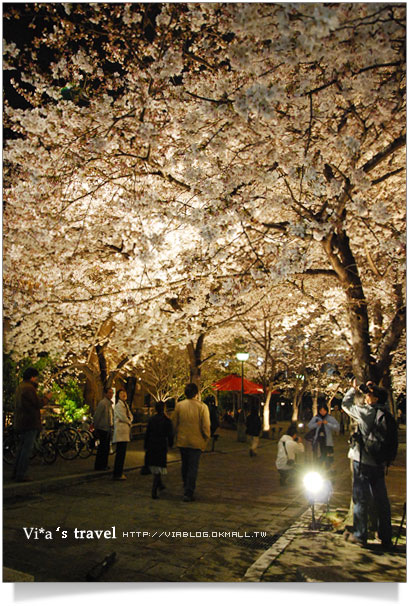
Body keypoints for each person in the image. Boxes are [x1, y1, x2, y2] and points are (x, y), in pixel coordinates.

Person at [341, 380, 394, 549]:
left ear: (376, 399)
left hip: (362, 461)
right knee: (382, 500)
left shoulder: (365, 411)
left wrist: (353, 388)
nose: (366, 396)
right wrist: (369, 390)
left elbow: (345, 404)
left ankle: (360, 535)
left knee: (361, 498)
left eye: (369, 394)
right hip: (379, 463)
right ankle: (385, 536)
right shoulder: (387, 413)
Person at [173, 383, 210, 502]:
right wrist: (206, 438)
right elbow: (206, 426)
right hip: (196, 441)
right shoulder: (202, 407)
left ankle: (186, 485)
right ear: (196, 393)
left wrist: (174, 436)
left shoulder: (179, 406)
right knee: (193, 467)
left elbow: (174, 423)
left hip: (183, 440)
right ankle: (189, 491)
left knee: (185, 465)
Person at [13, 367, 52, 482]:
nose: (37, 380)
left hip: (21, 421)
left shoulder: (20, 387)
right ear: (32, 377)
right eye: (36, 377)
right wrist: (47, 398)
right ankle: (21, 474)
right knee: (26, 449)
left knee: (21, 448)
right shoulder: (29, 389)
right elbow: (38, 403)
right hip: (29, 422)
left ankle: (16, 472)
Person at [144, 402, 174, 499]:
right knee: (158, 467)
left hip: (152, 444)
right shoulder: (167, 420)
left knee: (155, 465)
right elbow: (170, 434)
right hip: (161, 445)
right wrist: (171, 444)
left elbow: (147, 433)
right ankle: (154, 489)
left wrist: (145, 445)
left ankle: (160, 484)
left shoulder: (152, 419)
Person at [307, 404, 339, 468]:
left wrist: (328, 424)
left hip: (327, 439)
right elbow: (310, 425)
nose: (322, 412)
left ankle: (328, 466)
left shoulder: (329, 418)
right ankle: (319, 466)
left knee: (328, 453)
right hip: (318, 439)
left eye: (324, 410)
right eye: (321, 410)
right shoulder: (316, 417)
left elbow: (337, 427)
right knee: (320, 453)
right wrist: (316, 424)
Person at [112, 389, 133, 480]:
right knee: (120, 454)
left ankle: (119, 472)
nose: (124, 394)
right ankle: (117, 473)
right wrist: (129, 421)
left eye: (124, 393)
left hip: (124, 432)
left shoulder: (125, 405)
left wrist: (129, 420)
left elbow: (130, 415)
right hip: (121, 432)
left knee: (122, 453)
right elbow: (123, 417)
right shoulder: (118, 406)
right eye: (121, 393)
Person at [93, 388, 114, 471]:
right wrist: (96, 427)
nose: (111, 395)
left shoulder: (109, 404)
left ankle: (104, 464)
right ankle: (99, 465)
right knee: (102, 448)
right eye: (109, 393)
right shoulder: (103, 403)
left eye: (112, 393)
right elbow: (97, 416)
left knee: (106, 448)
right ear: (105, 394)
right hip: (102, 428)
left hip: (108, 428)